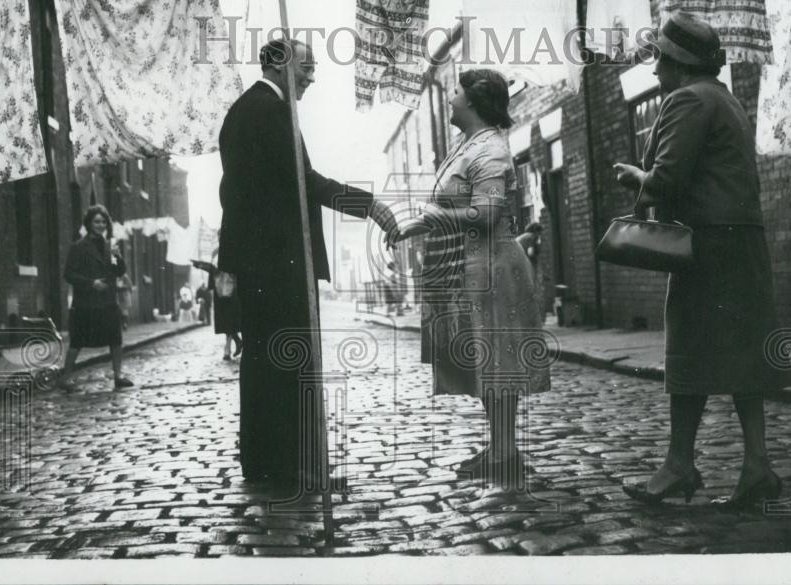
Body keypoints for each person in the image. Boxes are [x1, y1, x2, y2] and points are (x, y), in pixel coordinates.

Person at [612, 12, 791, 510]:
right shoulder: (727, 100)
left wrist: (637, 178)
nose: (654, 73)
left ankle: (678, 466)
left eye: (659, 61)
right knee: (745, 354)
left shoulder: (687, 99)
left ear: (678, 63)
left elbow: (667, 180)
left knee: (689, 351)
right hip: (741, 243)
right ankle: (756, 466)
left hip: (707, 247)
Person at [217, 38, 398, 491]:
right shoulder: (268, 111)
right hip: (278, 265)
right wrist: (369, 205)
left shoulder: (250, 109)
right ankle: (287, 468)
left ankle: (270, 463)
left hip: (264, 265)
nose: (313, 77)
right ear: (278, 65)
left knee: (266, 362)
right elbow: (305, 182)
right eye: (307, 67)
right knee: (284, 363)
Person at [396, 69, 550, 488]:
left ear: (476, 101)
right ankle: (501, 449)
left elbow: (487, 214)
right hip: (469, 267)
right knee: (485, 360)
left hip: (493, 268)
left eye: (457, 92)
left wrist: (428, 219)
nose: (451, 99)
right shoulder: (469, 145)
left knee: (496, 359)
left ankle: (505, 452)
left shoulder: (493, 150)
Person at [60, 204, 133, 392]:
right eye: (96, 221)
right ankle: (66, 378)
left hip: (108, 302)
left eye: (103, 222)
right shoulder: (78, 247)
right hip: (86, 303)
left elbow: (119, 271)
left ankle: (118, 376)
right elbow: (69, 274)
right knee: (77, 342)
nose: (100, 225)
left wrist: (118, 257)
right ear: (89, 223)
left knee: (115, 340)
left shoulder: (110, 246)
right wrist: (91, 283)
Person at [515, 221, 545, 320]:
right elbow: (531, 252)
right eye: (539, 233)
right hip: (524, 265)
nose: (540, 235)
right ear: (536, 231)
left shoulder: (522, 237)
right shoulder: (532, 237)